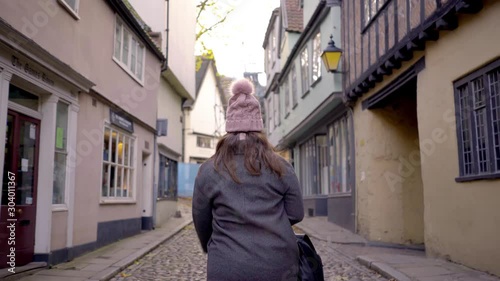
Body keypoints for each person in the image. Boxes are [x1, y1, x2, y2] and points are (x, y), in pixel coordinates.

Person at [192, 78, 304, 281]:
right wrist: (269, 223)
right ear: (258, 128)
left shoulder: (208, 170)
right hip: (278, 265)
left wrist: (220, 242)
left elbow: (202, 221)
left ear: (228, 129)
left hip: (225, 266)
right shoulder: (281, 166)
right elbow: (296, 213)